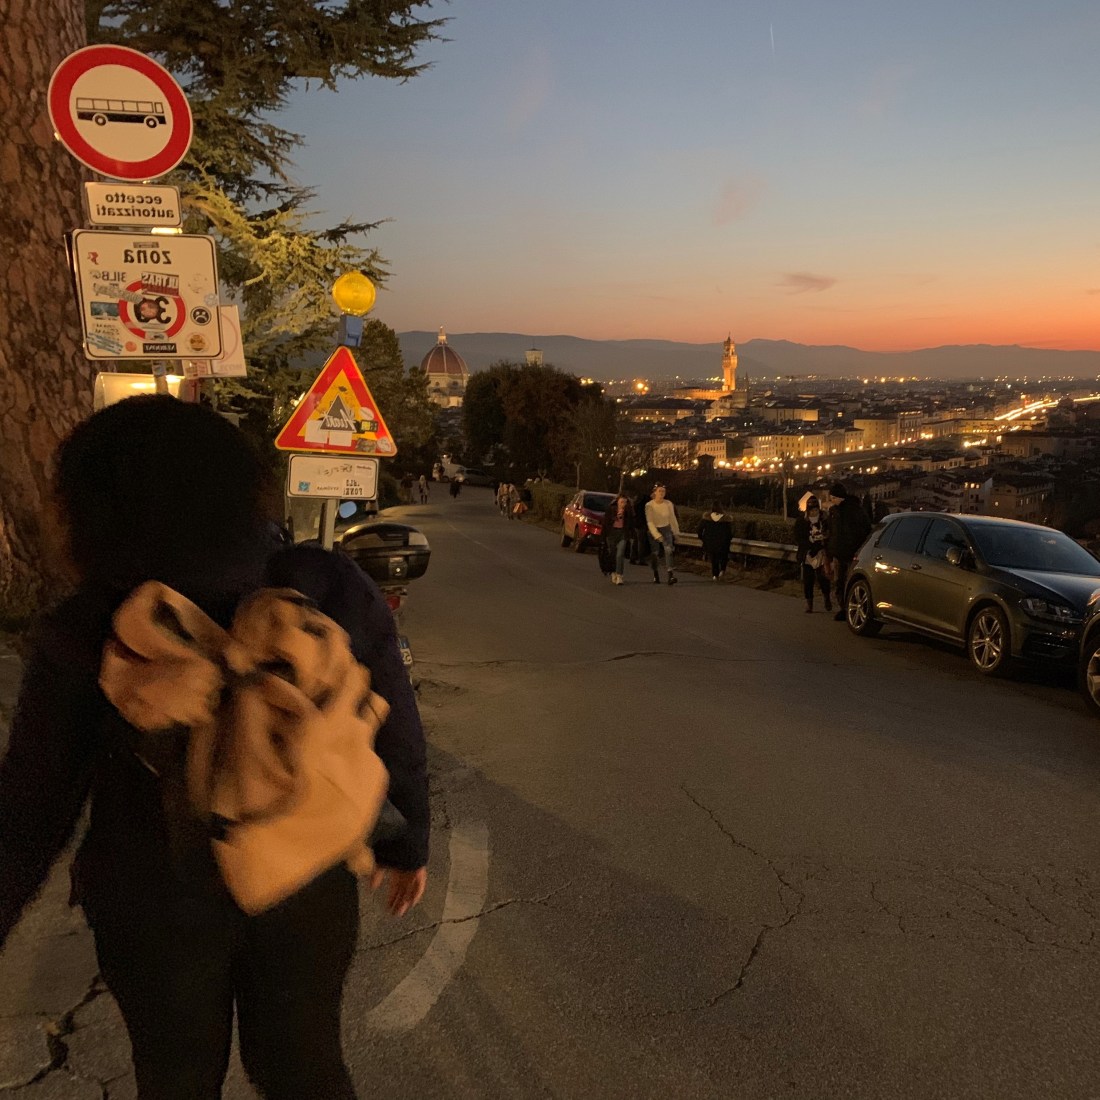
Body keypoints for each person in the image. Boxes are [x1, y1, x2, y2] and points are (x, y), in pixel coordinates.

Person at [0, 396, 430, 1100]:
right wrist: (404, 844)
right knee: (305, 1066)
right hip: (305, 871)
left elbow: (29, 806)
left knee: (174, 1079)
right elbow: (393, 725)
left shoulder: (99, 623)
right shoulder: (325, 586)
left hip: (151, 894)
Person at [826, 481, 872, 620]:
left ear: (840, 497)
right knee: (839, 582)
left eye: (833, 497)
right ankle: (843, 608)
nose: (831, 500)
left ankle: (850, 608)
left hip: (852, 553)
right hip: (839, 553)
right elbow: (832, 533)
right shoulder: (834, 512)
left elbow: (864, 529)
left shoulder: (854, 511)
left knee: (850, 582)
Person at [793, 495, 833, 613]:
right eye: (811, 510)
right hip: (808, 554)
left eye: (816, 510)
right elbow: (798, 537)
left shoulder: (824, 520)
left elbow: (830, 533)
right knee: (808, 580)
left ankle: (826, 598)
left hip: (821, 553)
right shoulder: (801, 521)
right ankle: (809, 603)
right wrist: (808, 542)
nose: (814, 512)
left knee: (823, 579)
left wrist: (824, 538)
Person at [644, 483, 681, 585]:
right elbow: (650, 522)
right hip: (654, 529)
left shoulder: (668, 504)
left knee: (668, 550)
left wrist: (676, 532)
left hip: (666, 528)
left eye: (663, 491)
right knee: (655, 553)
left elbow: (672, 519)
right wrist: (657, 535)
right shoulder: (649, 505)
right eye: (659, 491)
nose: (661, 493)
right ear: (655, 492)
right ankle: (656, 574)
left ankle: (670, 574)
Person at [600, 493, 636, 585]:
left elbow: (631, 524)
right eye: (621, 502)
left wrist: (632, 535)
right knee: (612, 554)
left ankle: (620, 575)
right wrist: (616, 517)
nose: (623, 504)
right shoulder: (611, 509)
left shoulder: (628, 511)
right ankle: (613, 572)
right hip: (612, 534)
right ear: (617, 501)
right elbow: (606, 522)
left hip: (622, 533)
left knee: (620, 554)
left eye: (625, 502)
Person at [697, 502, 733, 582]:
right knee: (723, 557)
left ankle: (714, 575)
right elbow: (729, 533)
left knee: (714, 559)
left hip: (710, 542)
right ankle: (722, 570)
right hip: (723, 543)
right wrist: (728, 540)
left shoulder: (706, 518)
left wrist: (703, 538)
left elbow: (699, 529)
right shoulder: (726, 520)